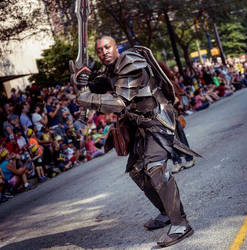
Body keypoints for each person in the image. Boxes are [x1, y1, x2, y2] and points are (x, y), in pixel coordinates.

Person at [75, 36, 197, 247]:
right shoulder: (111, 70)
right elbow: (99, 86)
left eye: (107, 47)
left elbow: (118, 101)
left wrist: (86, 97)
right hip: (140, 125)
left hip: (157, 120)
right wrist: (82, 81)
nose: (104, 52)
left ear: (116, 47)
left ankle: (180, 224)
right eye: (99, 50)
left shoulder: (130, 62)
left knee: (155, 167)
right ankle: (166, 212)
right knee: (136, 170)